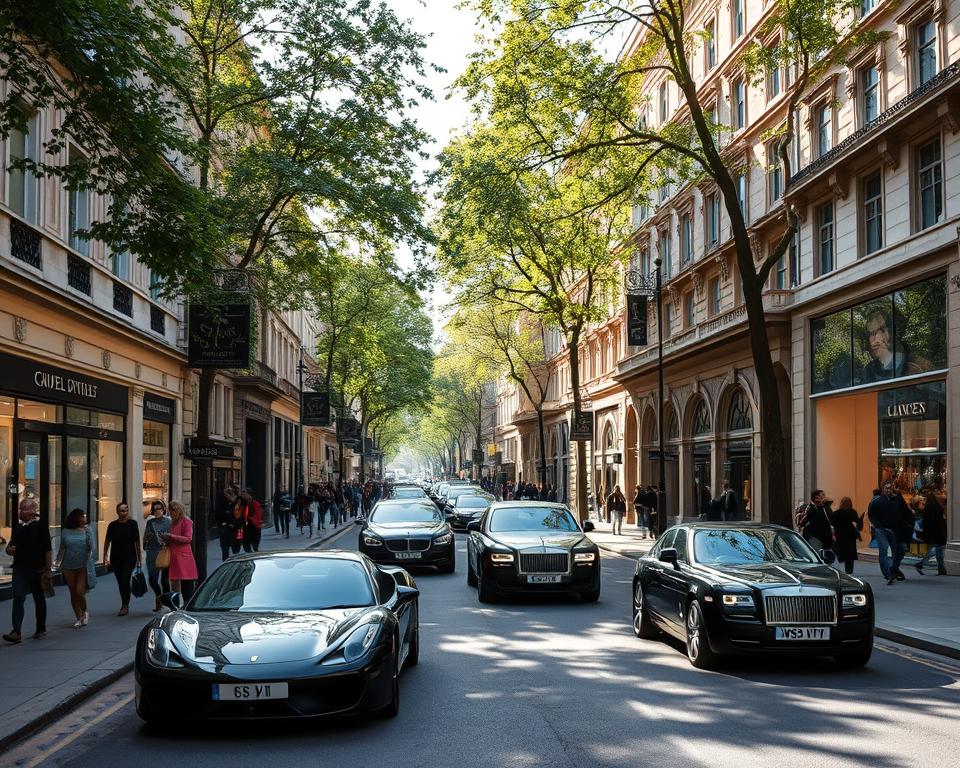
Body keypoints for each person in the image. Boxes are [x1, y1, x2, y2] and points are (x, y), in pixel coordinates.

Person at [3, 498, 52, 643]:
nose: (20, 512)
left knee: (39, 598)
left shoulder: (40, 526)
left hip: (37, 569)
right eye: (20, 509)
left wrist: (48, 570)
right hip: (20, 568)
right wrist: (9, 550)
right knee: (18, 597)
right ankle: (16, 631)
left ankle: (40, 627)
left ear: (33, 511)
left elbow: (48, 549)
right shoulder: (18, 527)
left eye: (23, 509)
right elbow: (10, 545)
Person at [56, 508, 94, 627]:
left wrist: (88, 534)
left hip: (82, 564)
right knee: (73, 592)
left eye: (85, 516)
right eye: (82, 516)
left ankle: (85, 611)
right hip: (68, 565)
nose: (85, 518)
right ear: (76, 518)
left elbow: (91, 548)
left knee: (79, 592)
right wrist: (58, 562)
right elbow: (62, 547)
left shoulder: (88, 530)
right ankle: (78, 617)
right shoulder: (66, 531)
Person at [868, 482, 911, 584]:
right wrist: (877, 525)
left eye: (890, 488)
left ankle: (894, 569)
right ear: (883, 489)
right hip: (881, 529)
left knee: (900, 550)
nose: (888, 490)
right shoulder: (877, 501)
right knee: (884, 549)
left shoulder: (898, 500)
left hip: (895, 529)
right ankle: (888, 574)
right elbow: (871, 513)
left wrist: (904, 525)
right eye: (886, 488)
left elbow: (905, 513)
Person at [103, 501, 141, 617]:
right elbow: (107, 542)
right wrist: (105, 557)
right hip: (116, 558)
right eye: (121, 510)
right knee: (121, 582)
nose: (124, 512)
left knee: (125, 580)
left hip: (129, 558)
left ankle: (125, 605)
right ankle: (124, 602)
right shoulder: (112, 525)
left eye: (126, 510)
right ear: (117, 512)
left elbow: (137, 542)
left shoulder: (133, 524)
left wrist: (139, 560)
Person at [161, 501, 198, 601]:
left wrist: (171, 536)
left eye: (173, 511)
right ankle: (174, 602)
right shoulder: (173, 522)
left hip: (183, 556)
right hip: (173, 555)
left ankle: (186, 602)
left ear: (178, 510)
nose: (171, 513)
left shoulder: (186, 522)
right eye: (170, 511)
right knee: (171, 580)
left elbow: (188, 538)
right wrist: (165, 538)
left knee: (186, 581)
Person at [143, 500, 172, 612]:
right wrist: (148, 538)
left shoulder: (168, 522)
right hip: (152, 552)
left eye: (159, 508)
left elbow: (172, 537)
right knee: (152, 580)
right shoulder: (150, 522)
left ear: (163, 509)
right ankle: (159, 596)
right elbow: (145, 539)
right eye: (155, 509)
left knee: (165, 580)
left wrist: (166, 538)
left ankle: (166, 602)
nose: (157, 511)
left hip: (164, 551)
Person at [915, 494, 948, 575]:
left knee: (937, 549)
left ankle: (940, 568)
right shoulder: (939, 508)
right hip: (940, 532)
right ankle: (922, 564)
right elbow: (943, 520)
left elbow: (926, 522)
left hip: (932, 533)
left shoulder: (928, 508)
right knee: (938, 549)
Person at [830, 497, 862, 574]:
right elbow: (856, 523)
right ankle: (849, 571)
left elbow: (832, 525)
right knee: (850, 555)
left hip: (840, 535)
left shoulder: (836, 513)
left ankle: (841, 559)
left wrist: (833, 534)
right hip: (851, 536)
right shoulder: (853, 512)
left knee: (840, 550)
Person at [216, 486, 238, 561]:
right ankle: (226, 560)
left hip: (234, 527)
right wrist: (227, 523)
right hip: (225, 527)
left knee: (235, 548)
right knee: (225, 547)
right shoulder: (222, 503)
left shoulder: (236, 503)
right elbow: (218, 514)